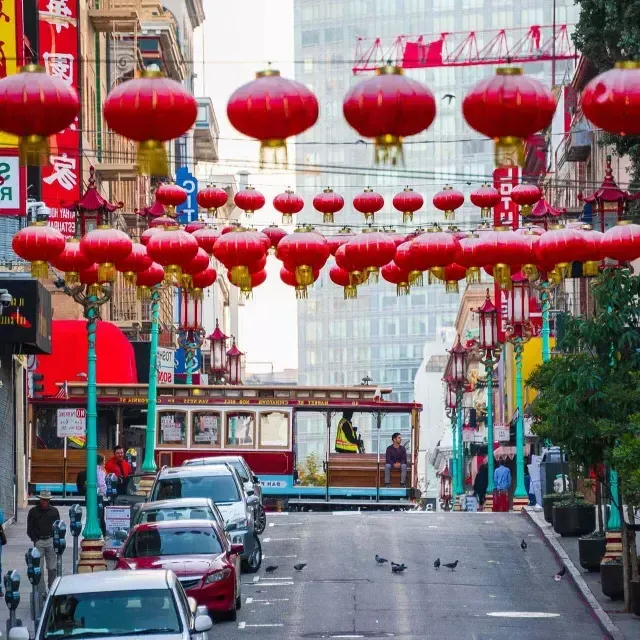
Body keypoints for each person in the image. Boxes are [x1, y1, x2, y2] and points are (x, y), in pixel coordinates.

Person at [27, 490, 60, 600]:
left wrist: (55, 539)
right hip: (39, 541)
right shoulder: (33, 512)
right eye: (42, 500)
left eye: (46, 500)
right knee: (38, 570)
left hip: (50, 540)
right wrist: (35, 540)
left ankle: (52, 589)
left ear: (49, 500)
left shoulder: (54, 511)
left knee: (52, 568)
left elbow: (58, 526)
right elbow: (29, 529)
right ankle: (42, 592)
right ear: (39, 500)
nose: (44, 502)